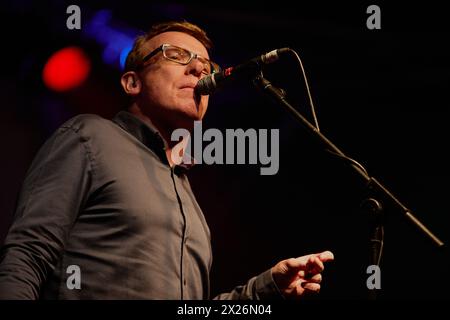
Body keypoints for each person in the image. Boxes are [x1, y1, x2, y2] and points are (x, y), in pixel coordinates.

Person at [0, 21, 334, 299]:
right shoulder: (89, 137)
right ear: (133, 82)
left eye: (207, 65)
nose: (199, 67)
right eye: (176, 55)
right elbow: (27, 254)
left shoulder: (189, 197)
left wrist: (264, 290)